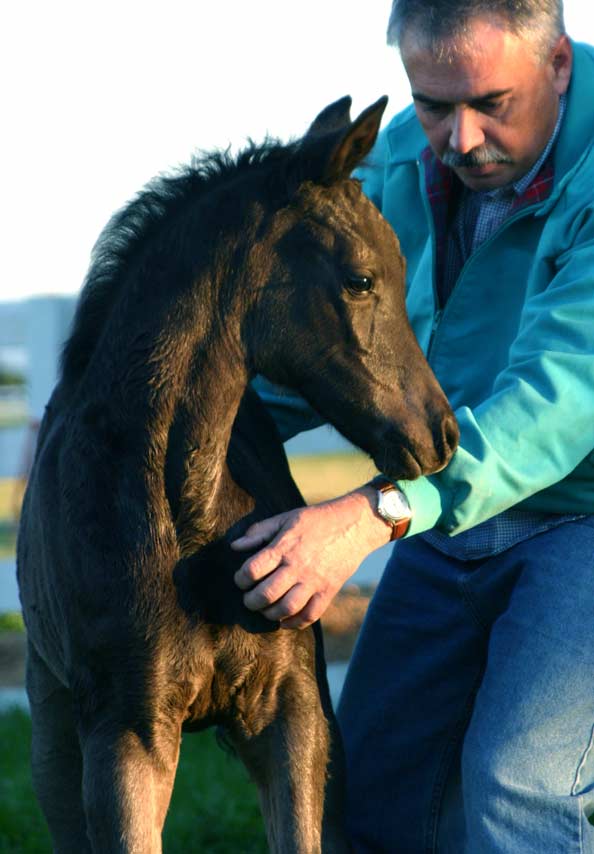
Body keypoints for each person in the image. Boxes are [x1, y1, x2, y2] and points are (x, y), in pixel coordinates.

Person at [231, 1, 594, 850]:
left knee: (518, 786)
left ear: (560, 65)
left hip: (579, 512)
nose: (459, 138)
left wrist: (373, 514)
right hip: (448, 512)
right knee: (367, 788)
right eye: (433, 103)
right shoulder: (396, 162)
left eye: (491, 103)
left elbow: (559, 399)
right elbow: (328, 357)